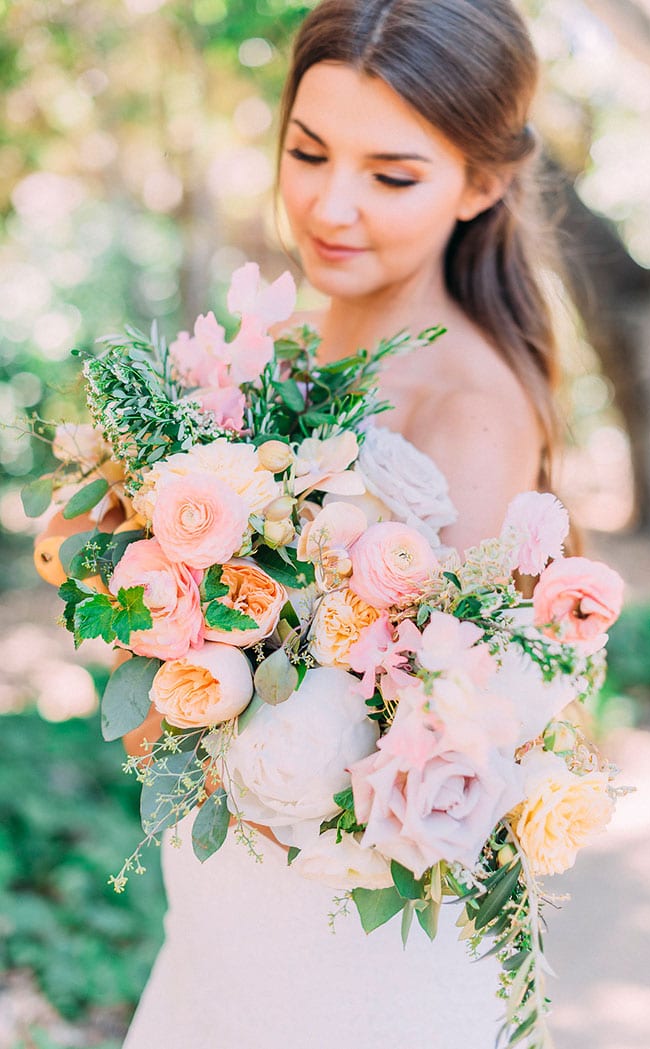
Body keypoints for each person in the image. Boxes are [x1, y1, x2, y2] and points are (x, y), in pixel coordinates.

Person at [123, 1, 562, 1046]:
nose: (330, 203)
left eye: (391, 175)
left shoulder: (468, 408)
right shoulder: (281, 342)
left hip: (345, 953)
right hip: (222, 906)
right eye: (307, 151)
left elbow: (442, 733)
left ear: (483, 182)